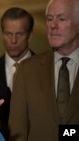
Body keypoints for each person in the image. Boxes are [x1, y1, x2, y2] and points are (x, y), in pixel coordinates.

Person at [9, 0, 79, 140]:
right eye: (49, 19)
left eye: (61, 18)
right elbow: (17, 134)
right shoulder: (26, 70)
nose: (53, 25)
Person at [0, 7, 35, 140]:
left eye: (19, 34)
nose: (13, 41)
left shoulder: (48, 70)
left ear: (30, 35)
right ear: (2, 33)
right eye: (8, 34)